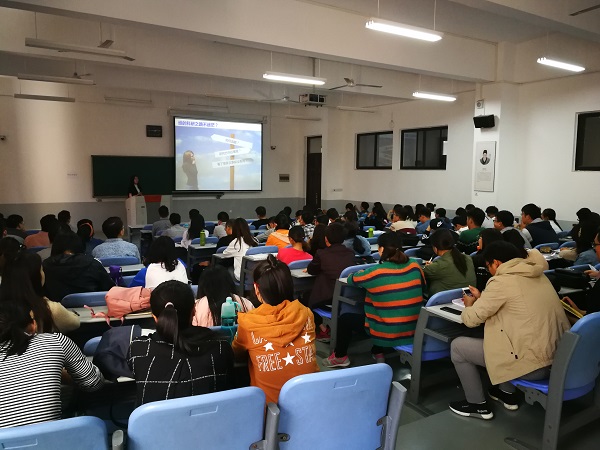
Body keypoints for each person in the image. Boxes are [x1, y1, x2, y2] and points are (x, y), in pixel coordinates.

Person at [449, 241, 570, 420]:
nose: (489, 270)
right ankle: (506, 394)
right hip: (558, 359)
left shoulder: (501, 281)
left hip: (533, 366)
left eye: (488, 266)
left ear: (496, 263)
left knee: (458, 347)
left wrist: (469, 305)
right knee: (507, 334)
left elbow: (471, 320)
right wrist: (483, 299)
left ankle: (477, 405)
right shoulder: (537, 275)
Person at [324, 232, 425, 367]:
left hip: (387, 331)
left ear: (381, 249)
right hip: (413, 328)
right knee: (381, 309)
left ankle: (340, 357)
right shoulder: (414, 265)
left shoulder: (376, 272)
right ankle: (377, 351)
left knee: (346, 319)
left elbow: (351, 279)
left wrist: (360, 273)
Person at [127, 280, 234, 405]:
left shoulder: (138, 349)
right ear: (194, 311)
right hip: (211, 417)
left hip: (158, 418)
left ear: (155, 318)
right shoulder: (220, 347)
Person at [0, 300, 104, 427]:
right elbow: (93, 383)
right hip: (55, 437)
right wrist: (59, 374)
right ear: (33, 326)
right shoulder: (56, 341)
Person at [232, 255, 318, 404]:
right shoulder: (306, 314)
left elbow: (236, 354)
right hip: (312, 402)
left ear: (256, 288)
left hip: (272, 412)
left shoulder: (249, 323)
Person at [0, 251, 80, 333]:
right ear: (36, 277)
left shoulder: (4, 311)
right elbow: (75, 322)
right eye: (41, 270)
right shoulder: (49, 309)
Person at [307, 223, 355, 340]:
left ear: (326, 238)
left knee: (304, 299)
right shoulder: (350, 253)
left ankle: (322, 329)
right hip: (347, 295)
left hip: (328, 297)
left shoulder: (322, 253)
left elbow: (311, 270)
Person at [43, 231, 115, 302]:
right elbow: (110, 289)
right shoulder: (92, 263)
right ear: (79, 246)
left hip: (56, 308)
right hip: (93, 307)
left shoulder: (45, 266)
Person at [423, 229, 476, 296]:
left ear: (435, 248)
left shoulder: (438, 266)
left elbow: (422, 275)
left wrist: (428, 267)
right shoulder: (468, 258)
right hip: (467, 298)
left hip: (443, 300)